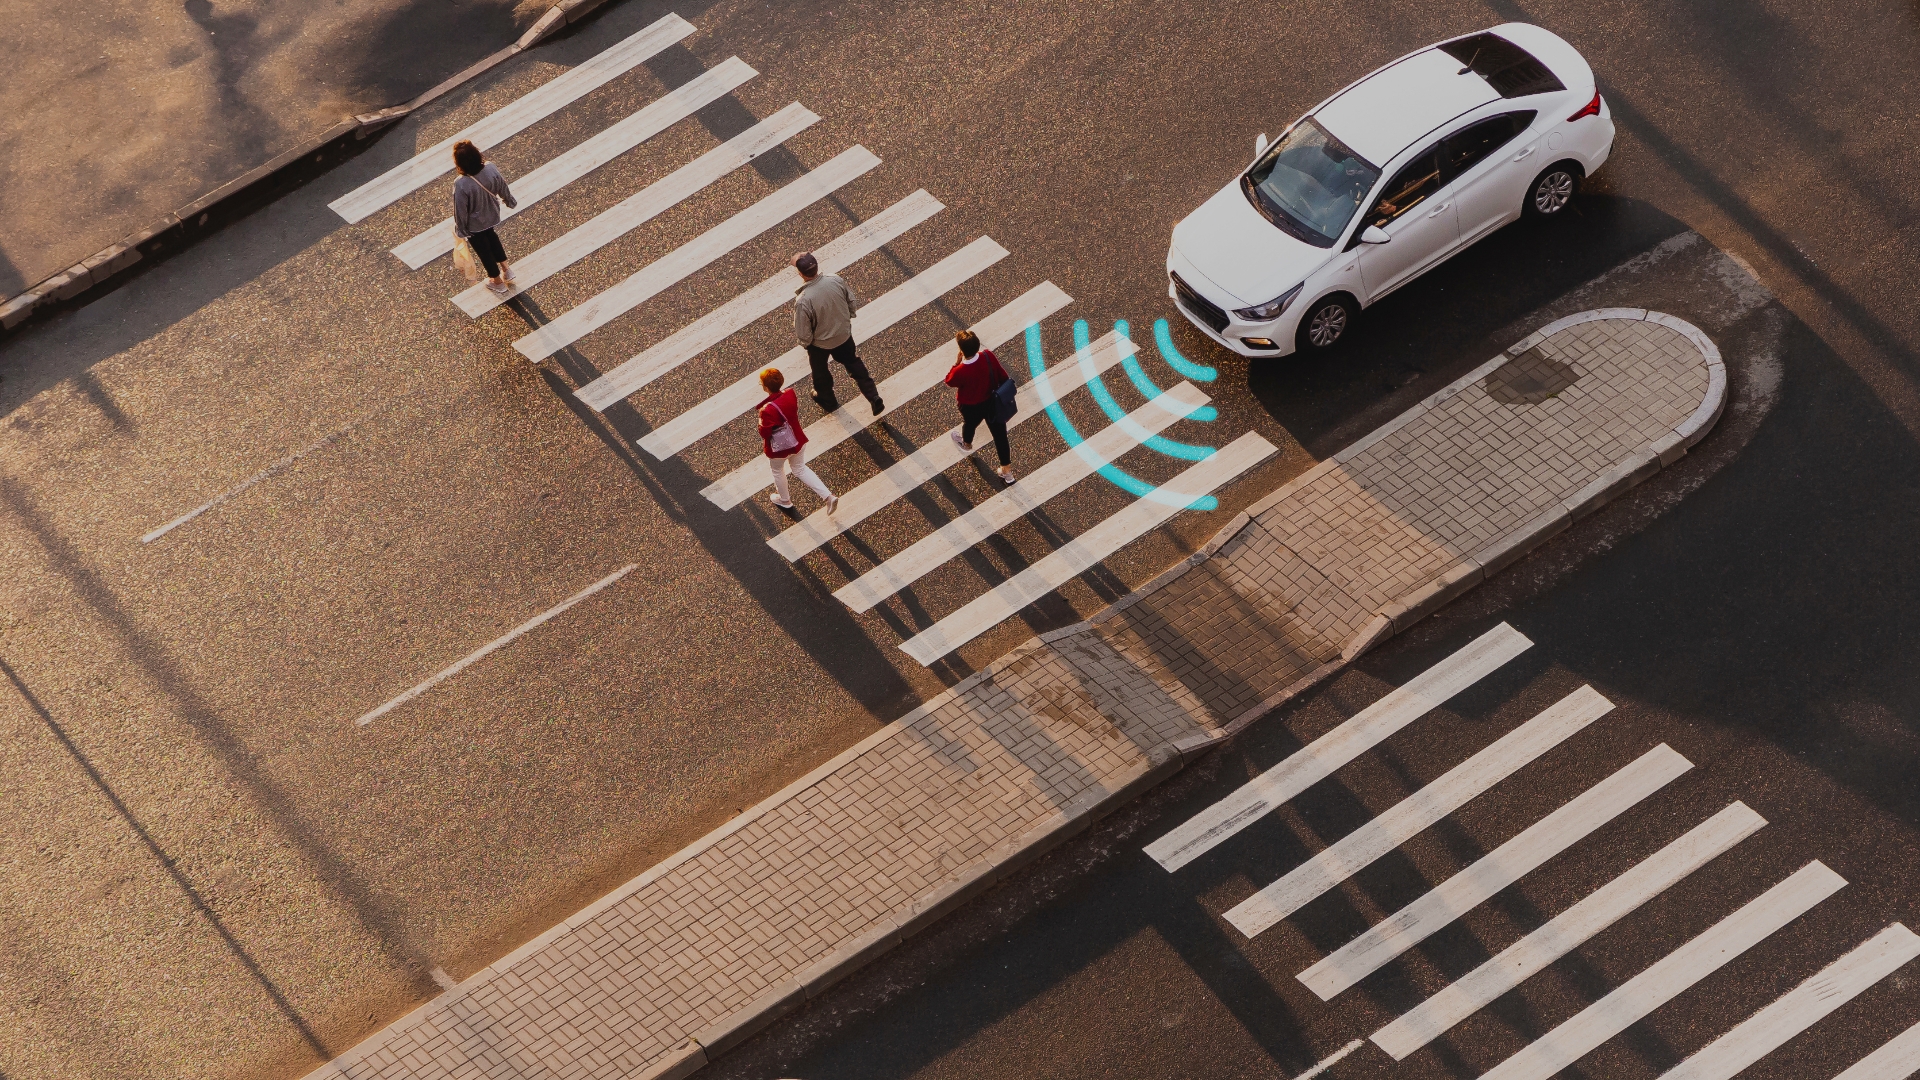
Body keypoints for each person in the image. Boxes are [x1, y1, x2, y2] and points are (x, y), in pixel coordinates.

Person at [792, 252, 883, 415]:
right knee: (853, 364)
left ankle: (828, 399)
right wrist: (847, 320)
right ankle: (873, 396)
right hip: (843, 336)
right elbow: (851, 301)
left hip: (820, 344)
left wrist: (807, 344)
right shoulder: (835, 279)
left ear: (800, 273)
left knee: (820, 373)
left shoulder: (803, 300)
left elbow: (803, 332)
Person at [757, 367, 838, 514]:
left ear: (766, 387)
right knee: (800, 469)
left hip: (779, 449)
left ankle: (785, 500)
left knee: (777, 470)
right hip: (797, 440)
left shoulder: (766, 410)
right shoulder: (790, 393)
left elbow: (765, 432)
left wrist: (761, 422)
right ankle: (828, 496)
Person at [944, 329, 1016, 483]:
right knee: (1000, 436)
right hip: (993, 403)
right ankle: (1007, 472)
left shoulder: (960, 371)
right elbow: (1003, 376)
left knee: (969, 425)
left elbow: (949, 380)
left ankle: (967, 444)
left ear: (961, 351)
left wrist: (956, 363)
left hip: (971, 407)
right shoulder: (988, 356)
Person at [451, 140, 518, 296]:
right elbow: (502, 185)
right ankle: (506, 269)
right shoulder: (490, 168)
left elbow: (460, 210)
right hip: (492, 214)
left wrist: (461, 230)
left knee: (483, 250)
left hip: (475, 224)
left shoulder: (461, 184)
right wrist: (509, 200)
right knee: (492, 238)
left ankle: (497, 281)